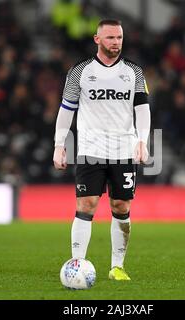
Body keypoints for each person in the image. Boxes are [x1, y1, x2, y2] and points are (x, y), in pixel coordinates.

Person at [53, 19, 151, 281]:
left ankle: (117, 266)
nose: (116, 43)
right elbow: (66, 111)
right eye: (110, 38)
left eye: (119, 38)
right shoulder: (80, 72)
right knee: (87, 204)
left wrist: (142, 141)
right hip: (90, 148)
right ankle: (77, 265)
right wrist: (59, 145)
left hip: (123, 149)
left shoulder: (134, 72)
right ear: (97, 39)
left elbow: (142, 110)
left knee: (120, 205)